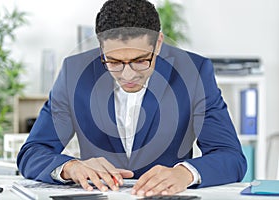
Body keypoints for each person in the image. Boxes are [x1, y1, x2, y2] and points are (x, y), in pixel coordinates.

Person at [17, 0, 247, 197]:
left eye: (140, 60)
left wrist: (185, 173)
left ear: (158, 43)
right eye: (114, 62)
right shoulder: (74, 73)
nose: (127, 75)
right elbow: (33, 152)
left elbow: (231, 156)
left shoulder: (193, 72)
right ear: (101, 48)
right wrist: (70, 167)